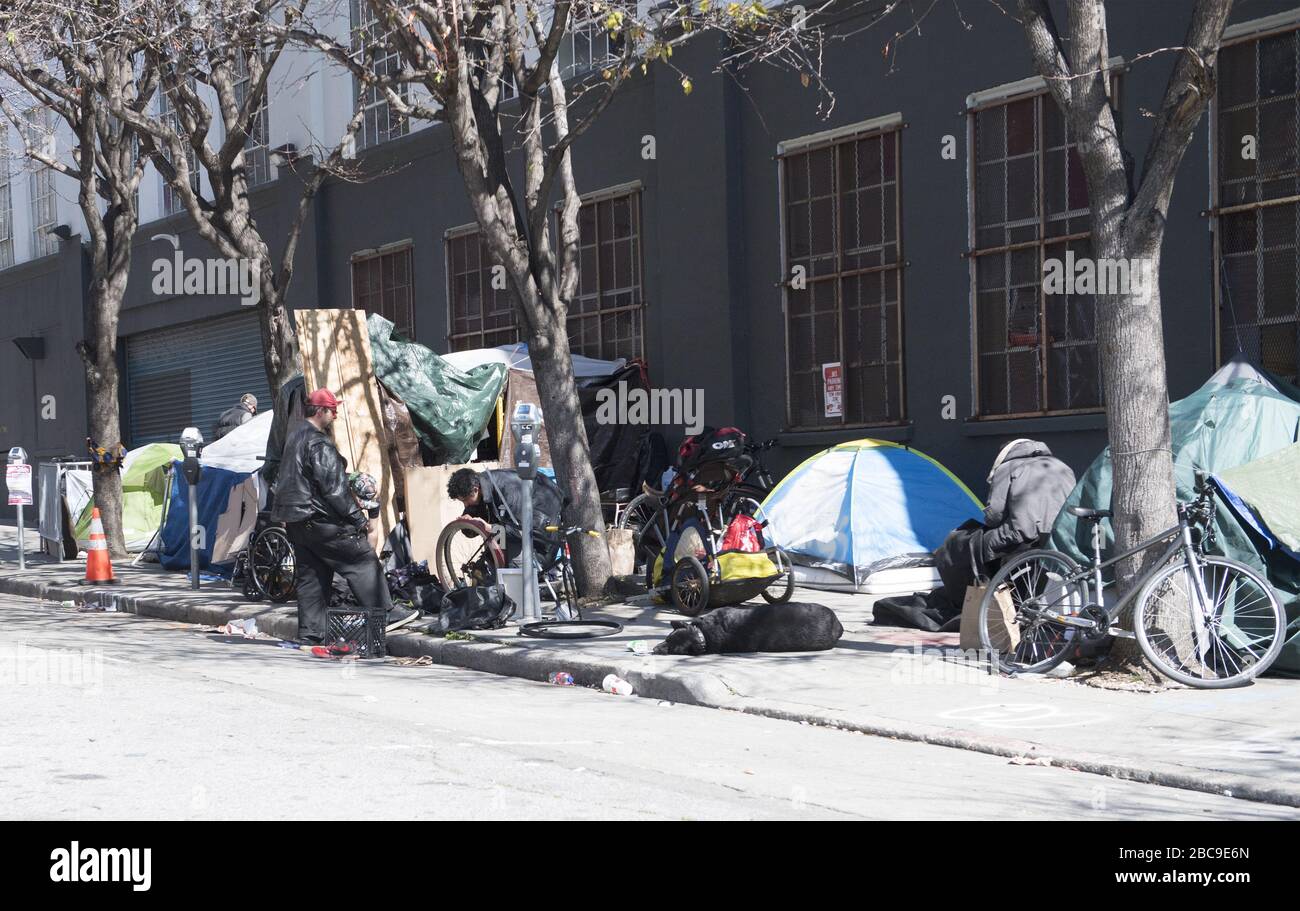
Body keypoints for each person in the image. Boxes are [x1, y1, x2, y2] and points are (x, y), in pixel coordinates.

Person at [271, 388, 417, 644]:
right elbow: (334, 489)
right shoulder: (317, 442)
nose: (335, 416)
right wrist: (358, 521)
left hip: (296, 522)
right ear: (321, 411)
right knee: (361, 559)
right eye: (333, 411)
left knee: (312, 576)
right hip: (320, 520)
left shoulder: (294, 437)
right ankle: (386, 612)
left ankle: (311, 632)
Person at [933, 439, 1077, 609]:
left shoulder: (1008, 467)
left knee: (962, 546)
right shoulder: (1062, 467)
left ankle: (971, 602)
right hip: (1058, 536)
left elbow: (994, 515)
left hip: (1021, 535)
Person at [446, 466, 567, 566]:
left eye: (466, 500)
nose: (466, 504)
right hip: (514, 527)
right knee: (494, 558)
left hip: (539, 530)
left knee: (512, 564)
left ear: (475, 489)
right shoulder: (481, 487)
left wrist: (490, 527)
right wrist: (469, 523)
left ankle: (513, 589)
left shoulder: (510, 491)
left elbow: (520, 531)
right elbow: (472, 529)